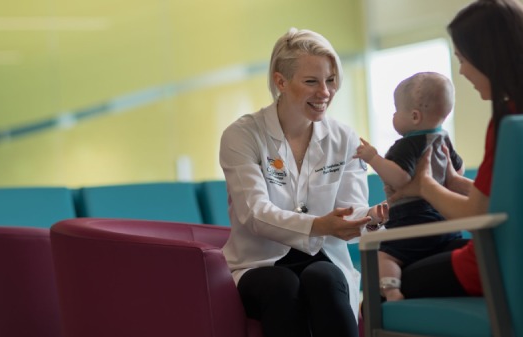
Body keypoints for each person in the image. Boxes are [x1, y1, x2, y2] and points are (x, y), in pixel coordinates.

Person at [219, 27, 388, 337]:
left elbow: (349, 214)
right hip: (260, 263)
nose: (324, 92)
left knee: (324, 276)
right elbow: (255, 213)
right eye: (311, 81)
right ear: (280, 81)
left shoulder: (344, 138)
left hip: (325, 259)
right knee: (282, 284)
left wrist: (370, 220)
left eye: (330, 80)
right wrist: (320, 226)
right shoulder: (242, 135)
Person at [388, 0, 523, 299]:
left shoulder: (507, 120)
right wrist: (456, 182)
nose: (461, 72)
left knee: (382, 287)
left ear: (486, 56)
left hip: (490, 265)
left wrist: (426, 186)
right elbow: (506, 200)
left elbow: (478, 212)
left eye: (462, 59)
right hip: (513, 260)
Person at [353, 72, 467, 301]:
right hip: (444, 222)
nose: (394, 116)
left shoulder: (406, 145)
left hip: (411, 221)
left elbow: (401, 179)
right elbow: (458, 170)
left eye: (396, 111)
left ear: (414, 116)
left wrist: (374, 158)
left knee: (385, 256)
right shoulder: (442, 139)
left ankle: (392, 289)